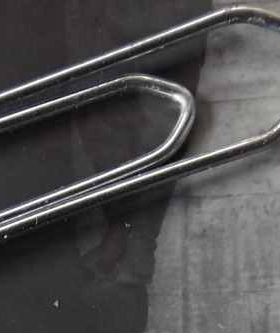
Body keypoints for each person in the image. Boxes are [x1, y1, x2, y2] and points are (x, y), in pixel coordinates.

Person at [71, 0, 211, 286]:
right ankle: (121, 227)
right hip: (112, 11)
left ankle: (140, 241)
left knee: (165, 121)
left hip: (173, 11)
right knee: (96, 109)